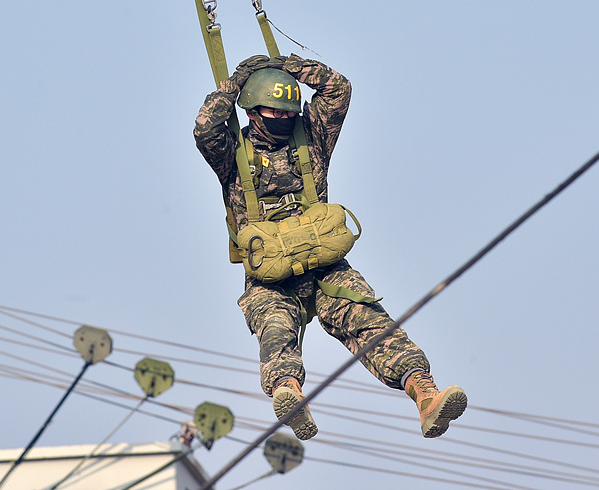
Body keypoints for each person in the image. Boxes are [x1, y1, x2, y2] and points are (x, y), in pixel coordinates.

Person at [194, 53, 467, 440]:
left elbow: (338, 88)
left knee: (370, 321)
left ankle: (425, 394)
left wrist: (290, 67)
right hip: (272, 281)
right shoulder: (232, 155)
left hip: (326, 270)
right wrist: (235, 83)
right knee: (276, 329)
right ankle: (290, 393)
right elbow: (205, 129)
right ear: (253, 113)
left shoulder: (311, 141)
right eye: (275, 114)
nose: (285, 120)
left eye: (290, 113)